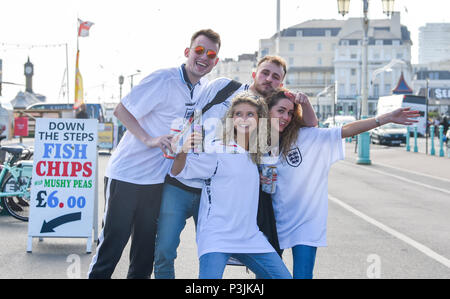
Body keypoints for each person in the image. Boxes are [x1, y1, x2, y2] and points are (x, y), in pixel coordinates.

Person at [154, 55, 318, 278]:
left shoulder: (269, 115)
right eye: (265, 73)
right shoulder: (223, 87)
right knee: (165, 251)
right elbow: (190, 114)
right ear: (254, 73)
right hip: (186, 184)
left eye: (276, 77)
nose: (269, 79)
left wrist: (304, 102)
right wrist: (180, 145)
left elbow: (310, 127)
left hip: (228, 204)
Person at [87, 29, 221, 279]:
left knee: (143, 256)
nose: (204, 58)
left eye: (211, 54)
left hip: (158, 183)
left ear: (215, 62)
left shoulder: (202, 89)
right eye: (199, 51)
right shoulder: (164, 79)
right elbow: (121, 110)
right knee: (111, 249)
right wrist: (149, 139)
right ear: (187, 52)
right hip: (127, 176)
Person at [261, 88, 420, 279]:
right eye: (281, 111)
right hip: (272, 221)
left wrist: (384, 118)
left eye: (290, 112)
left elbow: (345, 130)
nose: (286, 117)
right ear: (267, 111)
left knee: (302, 275)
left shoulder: (307, 137)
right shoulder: (257, 141)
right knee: (266, 277)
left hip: (305, 224)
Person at [170, 94, 292, 279]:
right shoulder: (216, 149)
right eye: (238, 114)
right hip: (217, 236)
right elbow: (178, 171)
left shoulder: (256, 154)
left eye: (250, 114)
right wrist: (184, 150)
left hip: (249, 236)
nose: (244, 119)